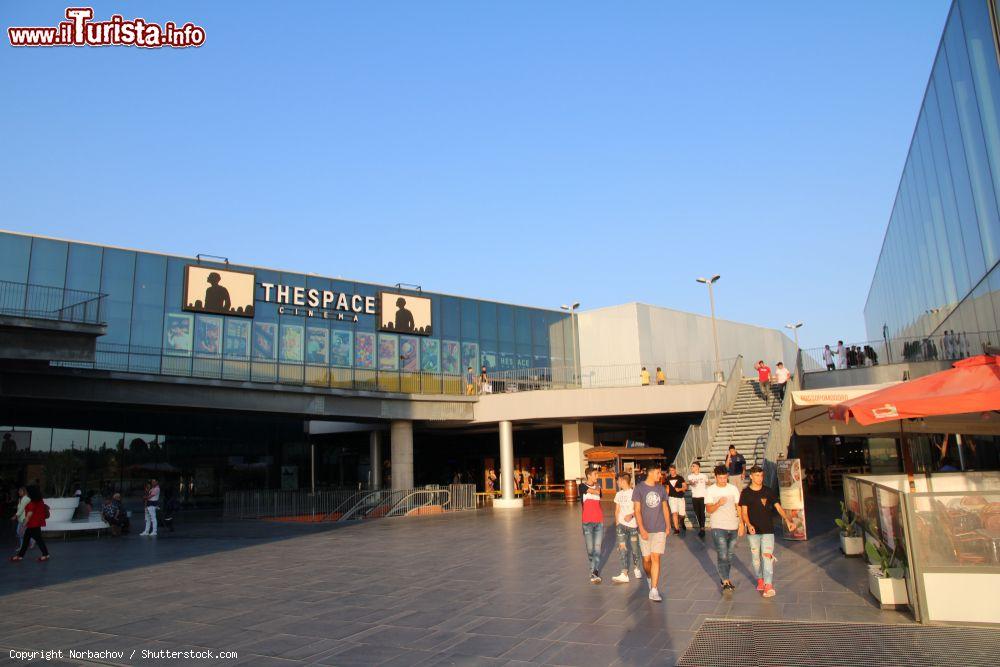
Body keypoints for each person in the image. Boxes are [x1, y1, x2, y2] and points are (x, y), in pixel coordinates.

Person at [739, 465, 796, 598]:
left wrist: (787, 520)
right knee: (756, 559)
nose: (760, 478)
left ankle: (768, 585)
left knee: (767, 557)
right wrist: (748, 524)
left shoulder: (768, 491)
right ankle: (760, 579)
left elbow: (778, 507)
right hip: (753, 531)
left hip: (768, 530)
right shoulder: (746, 493)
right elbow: (744, 512)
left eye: (761, 475)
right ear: (751, 476)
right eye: (757, 476)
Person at [632, 465, 670, 602]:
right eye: (658, 473)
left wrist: (668, 524)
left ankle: (654, 589)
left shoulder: (661, 489)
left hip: (659, 528)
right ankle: (649, 577)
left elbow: (665, 507)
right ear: (651, 472)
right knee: (647, 560)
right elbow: (636, 510)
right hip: (645, 530)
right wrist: (641, 528)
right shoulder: (639, 488)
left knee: (656, 558)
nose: (660, 475)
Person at [704, 465, 742, 595]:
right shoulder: (710, 490)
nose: (723, 480)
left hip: (733, 526)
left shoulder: (733, 489)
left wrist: (742, 523)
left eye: (725, 478)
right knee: (723, 554)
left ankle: (725, 578)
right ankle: (725, 581)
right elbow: (709, 510)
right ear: (715, 477)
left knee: (729, 556)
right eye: (720, 478)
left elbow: (739, 506)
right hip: (718, 526)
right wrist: (718, 503)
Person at [612, 472, 642, 584]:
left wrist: (632, 515)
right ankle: (624, 573)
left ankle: (636, 567)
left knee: (635, 548)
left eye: (618, 480)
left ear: (623, 481)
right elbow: (617, 510)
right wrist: (617, 524)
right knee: (622, 549)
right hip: (621, 526)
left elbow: (639, 508)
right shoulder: (618, 494)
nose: (617, 482)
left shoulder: (635, 493)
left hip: (633, 525)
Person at [9, 485, 49, 562]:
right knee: (28, 540)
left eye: (28, 492)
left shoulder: (31, 503)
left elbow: (28, 516)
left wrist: (23, 526)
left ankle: (45, 555)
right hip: (36, 523)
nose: (27, 493)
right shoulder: (40, 501)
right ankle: (20, 556)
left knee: (37, 540)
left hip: (32, 525)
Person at [578, 469, 604, 583]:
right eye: (595, 474)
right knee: (590, 550)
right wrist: (596, 489)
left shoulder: (598, 486)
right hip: (587, 522)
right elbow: (596, 492)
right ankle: (592, 564)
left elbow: (599, 493)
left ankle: (594, 571)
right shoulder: (582, 486)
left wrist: (597, 489)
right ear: (588, 475)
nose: (597, 476)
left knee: (597, 549)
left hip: (599, 521)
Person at [686, 462, 708, 537]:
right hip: (695, 497)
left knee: (702, 513)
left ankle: (702, 529)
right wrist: (692, 483)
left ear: (698, 467)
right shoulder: (690, 476)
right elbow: (691, 483)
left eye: (693, 466)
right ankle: (701, 527)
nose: (692, 467)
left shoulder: (704, 476)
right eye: (692, 466)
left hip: (702, 496)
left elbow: (708, 482)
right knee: (697, 513)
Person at [664, 464, 687, 535]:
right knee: (674, 513)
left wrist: (680, 489)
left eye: (673, 470)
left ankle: (682, 522)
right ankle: (677, 529)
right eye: (670, 470)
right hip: (672, 498)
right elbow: (667, 488)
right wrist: (665, 497)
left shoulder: (680, 478)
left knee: (682, 514)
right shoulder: (667, 478)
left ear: (675, 470)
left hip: (680, 498)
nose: (671, 472)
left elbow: (685, 487)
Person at [10, 486, 32, 551]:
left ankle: (30, 541)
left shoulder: (26, 499)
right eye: (19, 491)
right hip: (21, 519)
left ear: (24, 492)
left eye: (20, 491)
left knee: (19, 532)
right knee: (22, 532)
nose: (19, 492)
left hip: (24, 519)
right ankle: (28, 543)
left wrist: (15, 516)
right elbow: (19, 508)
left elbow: (21, 509)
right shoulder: (21, 499)